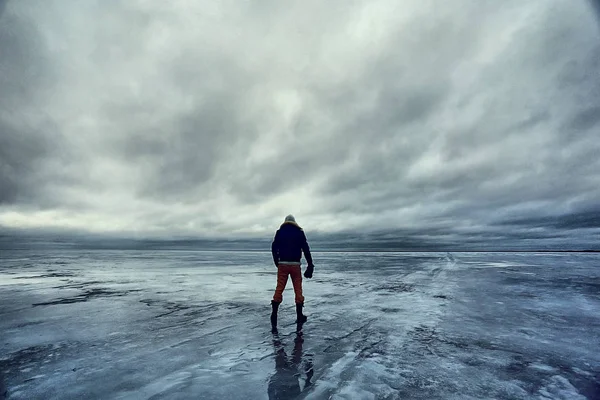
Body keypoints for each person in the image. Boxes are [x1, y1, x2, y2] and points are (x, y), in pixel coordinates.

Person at [270, 215, 315, 331]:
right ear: (294, 222)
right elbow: (306, 249)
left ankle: (274, 314)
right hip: (295, 265)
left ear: (285, 222)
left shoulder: (279, 232)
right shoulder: (299, 232)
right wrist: (310, 264)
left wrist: (277, 261)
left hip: (283, 264)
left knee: (279, 288)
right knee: (298, 289)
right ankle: (299, 316)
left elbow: (274, 247)